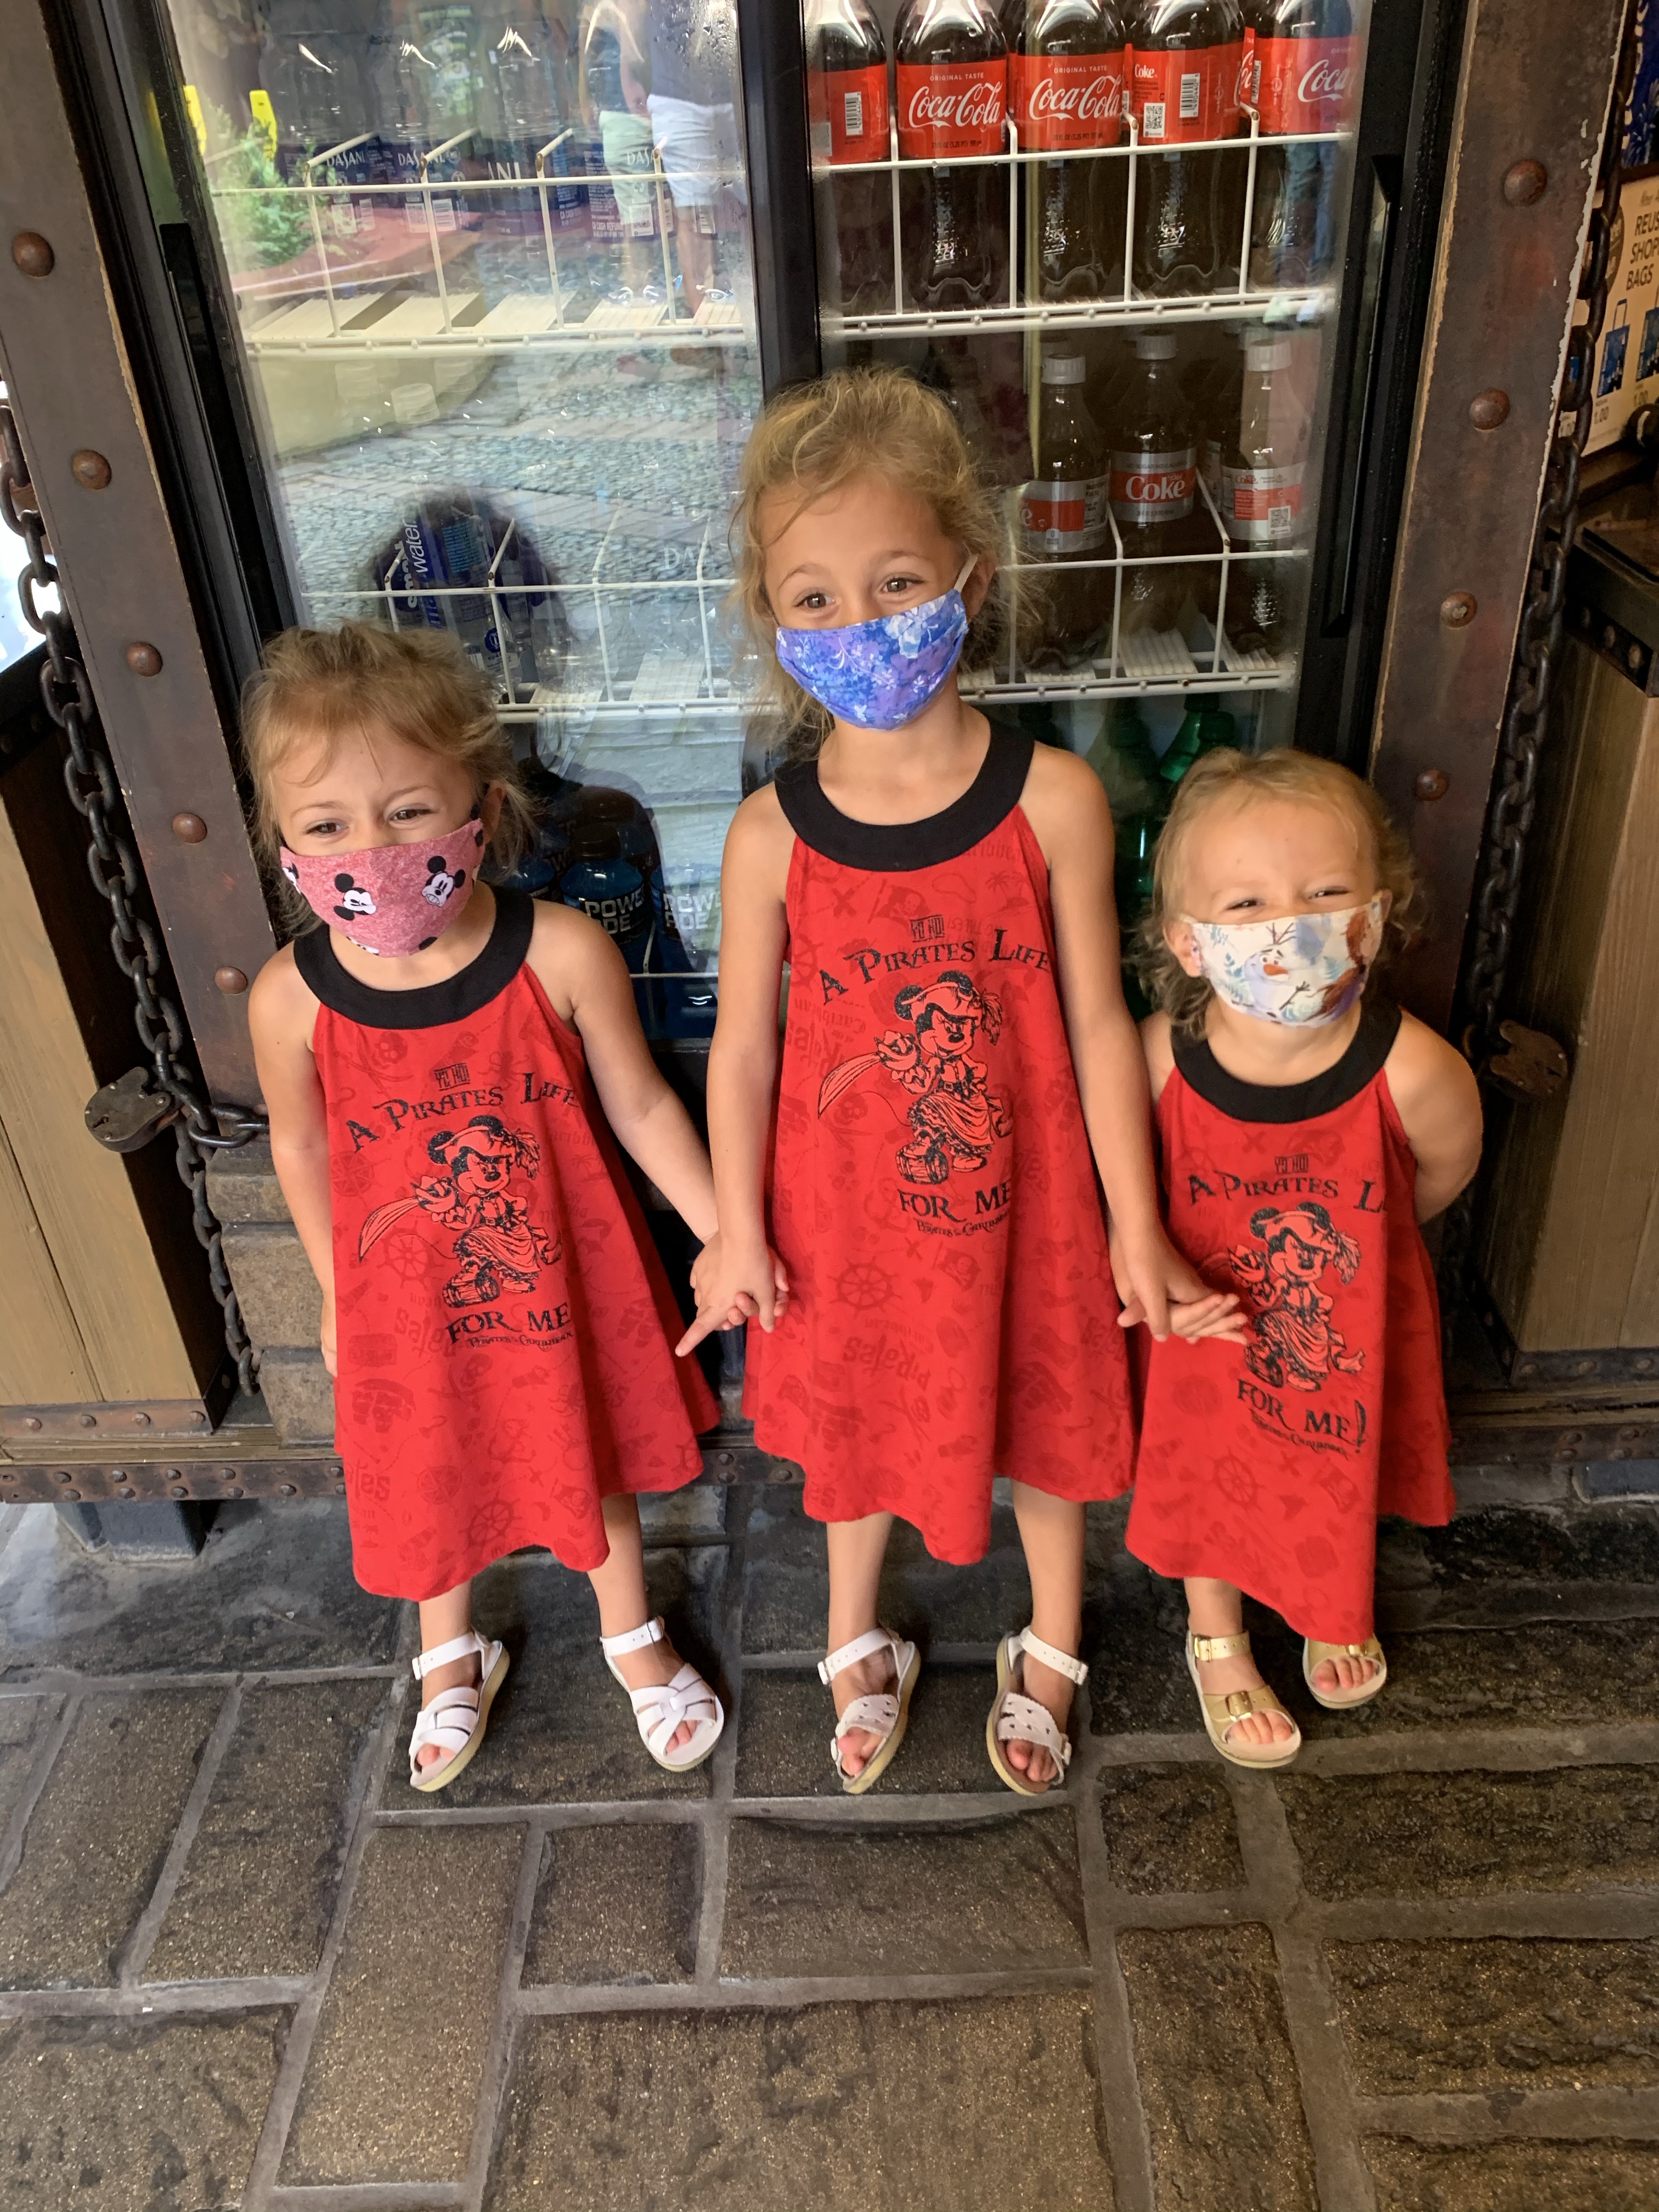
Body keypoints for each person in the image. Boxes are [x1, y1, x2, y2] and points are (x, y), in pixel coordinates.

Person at [678, 367, 1233, 1796]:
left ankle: (1054, 1637)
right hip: (844, 1225)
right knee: (856, 1440)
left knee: (1048, 1426)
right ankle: (850, 1628)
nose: (857, 622)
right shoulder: (769, 838)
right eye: (813, 597)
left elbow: (1101, 1024)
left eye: (895, 582)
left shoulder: (1053, 801)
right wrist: (732, 1227)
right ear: (771, 617)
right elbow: (744, 1049)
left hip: (1031, 1210)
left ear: (969, 582)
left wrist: (1134, 1224)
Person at [246, 621, 735, 1792]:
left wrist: (728, 1232)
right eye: (327, 826)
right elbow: (301, 1146)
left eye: (409, 811)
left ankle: (630, 1629)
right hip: (405, 1303)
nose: (372, 849)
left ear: (485, 805)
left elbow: (641, 1105)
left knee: (588, 1446)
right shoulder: (289, 1001)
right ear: (283, 839)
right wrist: (335, 1288)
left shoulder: (559, 954)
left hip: (564, 1282)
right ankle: (447, 1651)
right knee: (425, 1467)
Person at [1126, 747, 1483, 1768]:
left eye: (1326, 893)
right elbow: (1121, 1181)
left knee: (1333, 1457)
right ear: (1188, 942)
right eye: (1246, 905)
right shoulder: (1158, 1061)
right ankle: (1218, 1636)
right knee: (1206, 1467)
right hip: (1207, 1331)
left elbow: (1440, 1172)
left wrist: (1362, 1261)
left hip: (1344, 1328)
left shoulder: (1414, 1071)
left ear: (1376, 913)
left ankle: (1331, 1601)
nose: (1289, 925)